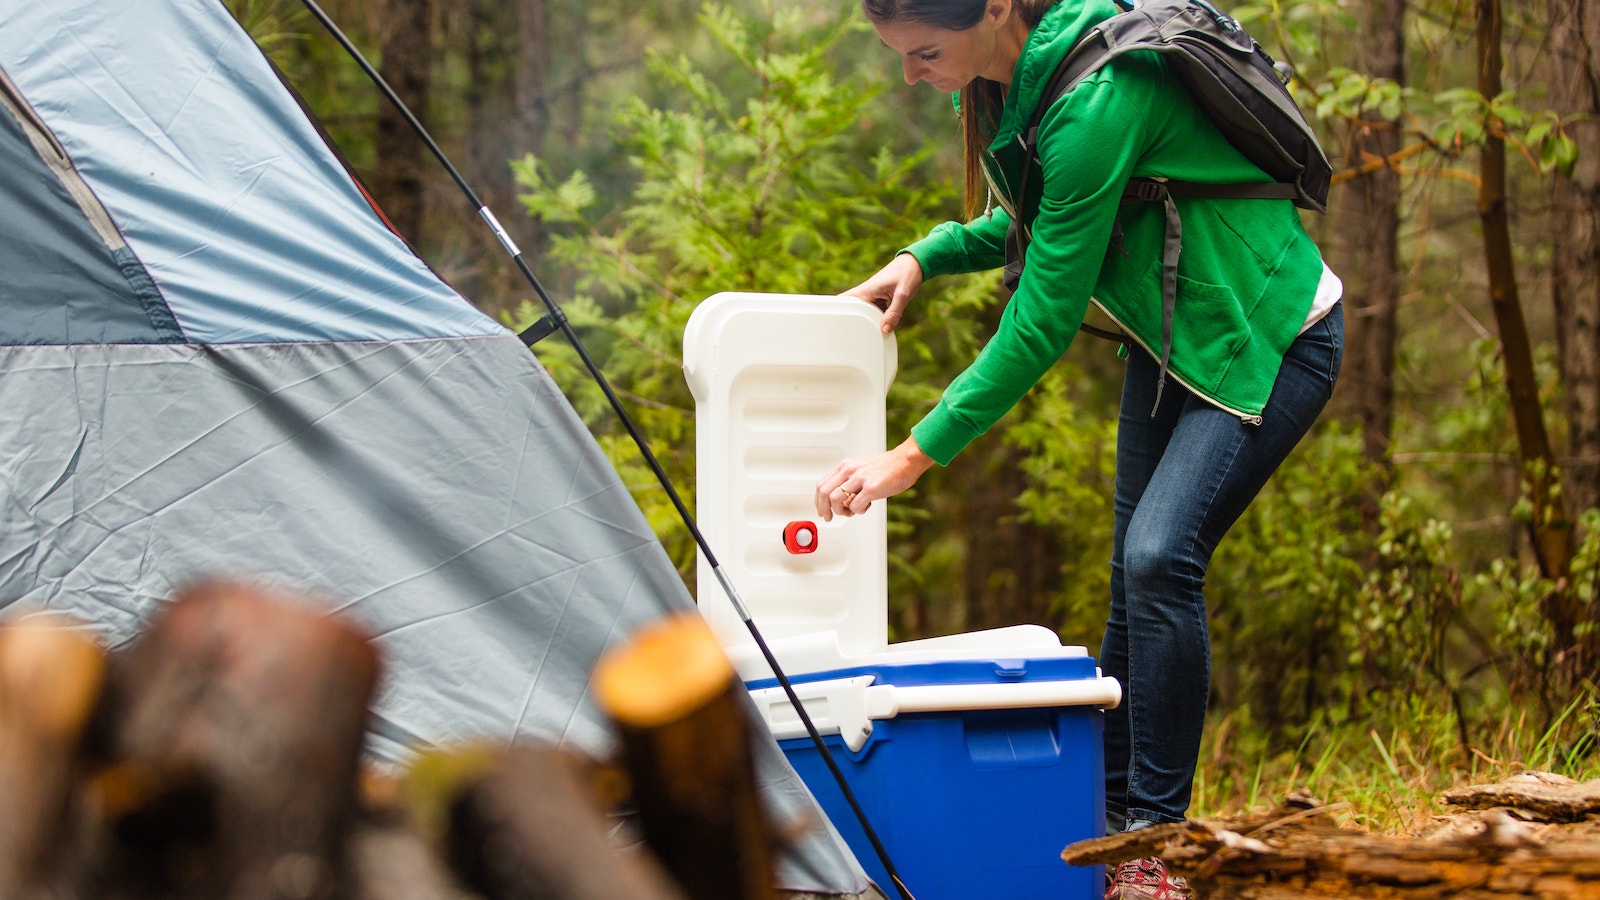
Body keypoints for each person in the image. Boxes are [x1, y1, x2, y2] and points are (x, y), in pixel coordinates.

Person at [811, 0, 1344, 896]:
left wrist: (909, 455)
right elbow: (1037, 216)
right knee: (1131, 583)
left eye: (925, 52)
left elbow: (1043, 317)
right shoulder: (1007, 84)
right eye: (901, 55)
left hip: (1272, 334)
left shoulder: (1098, 97)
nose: (911, 74)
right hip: (1176, 341)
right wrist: (925, 256)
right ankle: (1108, 828)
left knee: (1159, 558)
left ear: (994, 9)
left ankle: (1156, 846)